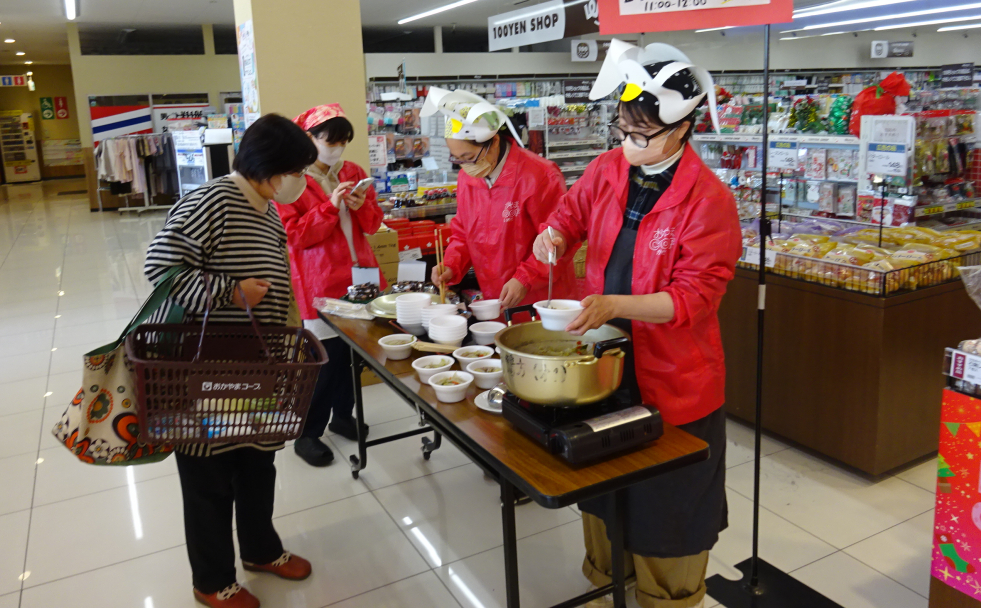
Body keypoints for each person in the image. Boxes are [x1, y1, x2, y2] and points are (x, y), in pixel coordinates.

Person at [532, 41, 741, 608]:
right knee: (604, 487)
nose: (630, 143)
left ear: (682, 129)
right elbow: (566, 218)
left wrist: (615, 305)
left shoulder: (709, 200)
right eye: (624, 129)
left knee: (669, 503)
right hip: (605, 362)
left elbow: (691, 299)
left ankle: (666, 596)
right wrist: (549, 238)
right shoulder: (608, 168)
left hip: (675, 377)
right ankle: (607, 581)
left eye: (643, 134)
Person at [144, 114, 318, 608]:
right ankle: (211, 579)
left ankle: (261, 550)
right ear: (269, 165)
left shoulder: (263, 205)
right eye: (295, 170)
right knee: (208, 475)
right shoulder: (215, 199)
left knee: (257, 461)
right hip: (206, 364)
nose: (298, 182)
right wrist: (230, 290)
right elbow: (159, 267)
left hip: (255, 363)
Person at [276, 104, 384, 467]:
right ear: (310, 138)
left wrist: (359, 204)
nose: (337, 149)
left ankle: (342, 416)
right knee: (325, 360)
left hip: (362, 274)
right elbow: (296, 236)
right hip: (320, 279)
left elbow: (372, 225)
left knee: (353, 355)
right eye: (330, 141)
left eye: (343, 142)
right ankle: (307, 433)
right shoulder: (291, 179)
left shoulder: (351, 172)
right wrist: (329, 208)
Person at [422, 88, 577, 309]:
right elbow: (464, 232)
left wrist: (525, 278)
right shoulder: (468, 178)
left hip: (543, 300)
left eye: (468, 157)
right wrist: (451, 265)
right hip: (495, 298)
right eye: (457, 159)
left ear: (494, 142)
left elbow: (559, 238)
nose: (465, 166)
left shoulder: (540, 175)